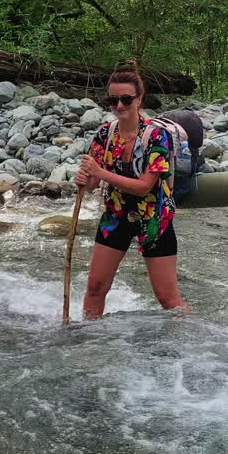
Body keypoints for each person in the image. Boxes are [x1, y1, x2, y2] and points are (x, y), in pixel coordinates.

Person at [74, 60, 186, 320]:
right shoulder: (105, 133)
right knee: (94, 288)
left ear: (140, 98)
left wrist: (100, 174)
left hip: (154, 219)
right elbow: (90, 185)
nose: (119, 106)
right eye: (112, 101)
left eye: (126, 99)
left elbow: (144, 187)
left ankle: (187, 343)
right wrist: (84, 179)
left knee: (167, 298)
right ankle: (87, 343)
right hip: (116, 216)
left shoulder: (157, 136)